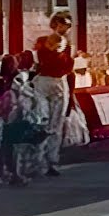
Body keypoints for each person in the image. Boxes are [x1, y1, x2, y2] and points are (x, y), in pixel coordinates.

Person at [34, 11, 76, 177]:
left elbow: (68, 69)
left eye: (67, 25)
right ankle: (37, 159)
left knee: (56, 125)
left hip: (59, 82)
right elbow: (41, 61)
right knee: (41, 120)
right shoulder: (43, 42)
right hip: (44, 81)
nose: (64, 28)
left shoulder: (68, 46)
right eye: (61, 24)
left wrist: (71, 94)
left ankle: (51, 161)